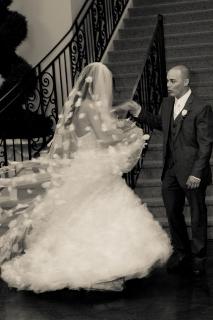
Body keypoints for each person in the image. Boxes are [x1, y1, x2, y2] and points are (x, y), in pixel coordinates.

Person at [0, 62, 171, 293]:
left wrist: (118, 114)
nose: (108, 88)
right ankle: (100, 271)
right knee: (98, 215)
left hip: (85, 166)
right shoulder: (92, 107)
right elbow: (105, 137)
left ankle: (108, 269)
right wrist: (132, 134)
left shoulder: (83, 107)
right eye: (107, 83)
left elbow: (95, 126)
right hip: (94, 169)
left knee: (80, 215)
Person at [128, 65, 213, 275]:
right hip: (170, 171)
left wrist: (197, 173)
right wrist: (140, 113)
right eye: (167, 81)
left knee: (197, 213)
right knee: (173, 212)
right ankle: (181, 252)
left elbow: (206, 145)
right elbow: (162, 124)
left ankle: (199, 257)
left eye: (172, 81)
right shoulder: (167, 104)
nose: (168, 85)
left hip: (192, 172)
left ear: (186, 82)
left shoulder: (201, 107)